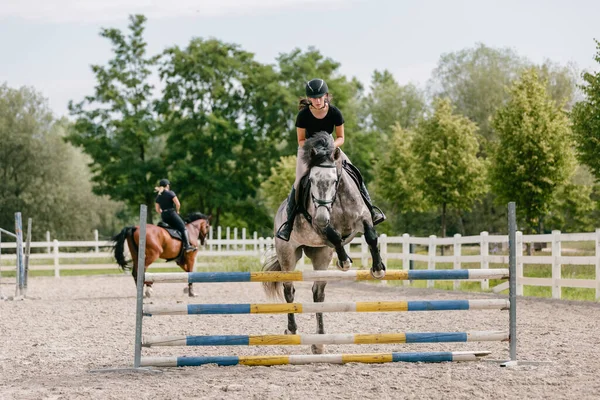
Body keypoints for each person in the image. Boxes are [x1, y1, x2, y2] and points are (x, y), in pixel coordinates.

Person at [276, 78, 386, 241]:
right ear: (309, 99)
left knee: (354, 171)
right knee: (299, 182)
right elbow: (300, 140)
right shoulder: (303, 115)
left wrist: (331, 147)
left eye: (321, 97)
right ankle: (289, 224)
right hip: (308, 151)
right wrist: (313, 150)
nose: (318, 101)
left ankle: (371, 210)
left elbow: (341, 137)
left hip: (330, 147)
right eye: (314, 98)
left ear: (326, 96)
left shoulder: (335, 112)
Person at [154, 179, 197, 252]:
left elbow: (157, 209)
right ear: (167, 185)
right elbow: (178, 204)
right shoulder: (171, 193)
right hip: (171, 213)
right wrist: (177, 211)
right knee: (183, 227)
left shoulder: (158, 196)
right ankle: (187, 246)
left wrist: (163, 212)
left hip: (164, 215)